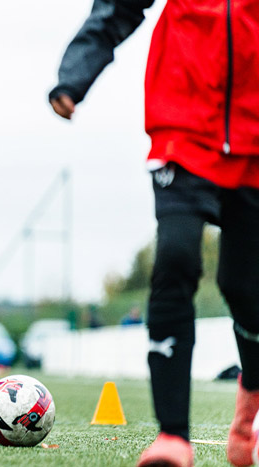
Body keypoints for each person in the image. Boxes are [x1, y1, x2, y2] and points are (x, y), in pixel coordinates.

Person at [50, 2, 259, 465]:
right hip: (184, 129)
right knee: (177, 259)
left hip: (255, 140)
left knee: (245, 288)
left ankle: (249, 403)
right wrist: (76, 74)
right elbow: (117, 6)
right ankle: (173, 438)